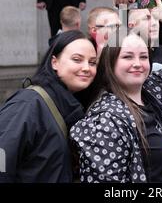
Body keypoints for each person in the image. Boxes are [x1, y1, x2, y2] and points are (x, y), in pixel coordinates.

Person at [70, 0, 162, 183]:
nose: (137, 63)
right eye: (127, 57)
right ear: (111, 63)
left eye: (143, 56)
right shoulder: (105, 122)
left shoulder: (155, 89)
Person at [0, 30, 97, 182]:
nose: (87, 68)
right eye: (77, 59)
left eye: (92, 62)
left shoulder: (75, 105)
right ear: (54, 62)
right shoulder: (28, 104)